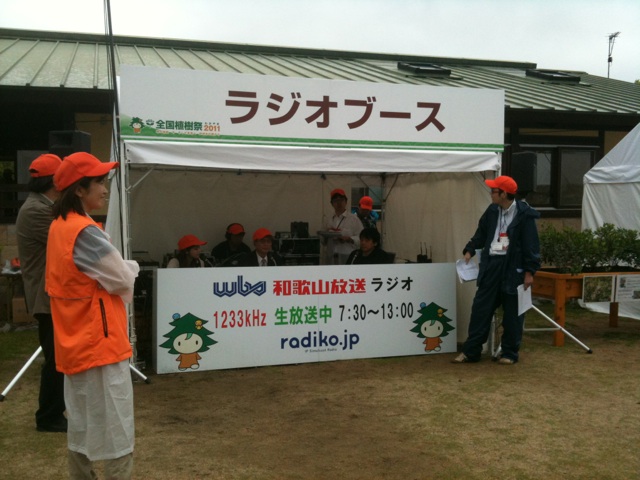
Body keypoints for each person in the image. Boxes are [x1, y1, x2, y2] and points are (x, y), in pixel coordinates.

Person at [45, 152, 139, 479]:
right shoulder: (84, 231)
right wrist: (130, 267)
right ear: (79, 189)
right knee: (117, 428)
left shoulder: (60, 226)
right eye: (98, 181)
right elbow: (123, 278)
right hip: (100, 342)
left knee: (81, 423)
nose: (105, 188)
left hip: (75, 342)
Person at [452, 175, 540, 365]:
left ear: (504, 194)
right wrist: (470, 249)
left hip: (513, 268)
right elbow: (481, 233)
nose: (491, 193)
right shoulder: (492, 211)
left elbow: (531, 245)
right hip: (491, 265)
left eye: (494, 191)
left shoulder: (525, 215)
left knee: (513, 313)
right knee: (480, 309)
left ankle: (509, 353)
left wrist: (529, 272)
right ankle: (471, 351)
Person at [15, 153, 67, 433]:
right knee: (56, 359)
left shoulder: (43, 205)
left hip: (51, 294)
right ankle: (48, 416)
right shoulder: (37, 210)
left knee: (59, 357)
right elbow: (69, 242)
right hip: (47, 297)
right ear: (55, 181)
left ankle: (54, 413)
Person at [323, 188, 362, 264]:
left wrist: (349, 239)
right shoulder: (328, 219)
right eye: (335, 201)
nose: (339, 203)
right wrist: (326, 236)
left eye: (341, 200)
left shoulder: (354, 219)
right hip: (331, 257)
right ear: (332, 203)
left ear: (346, 201)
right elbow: (323, 241)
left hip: (347, 256)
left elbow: (361, 238)